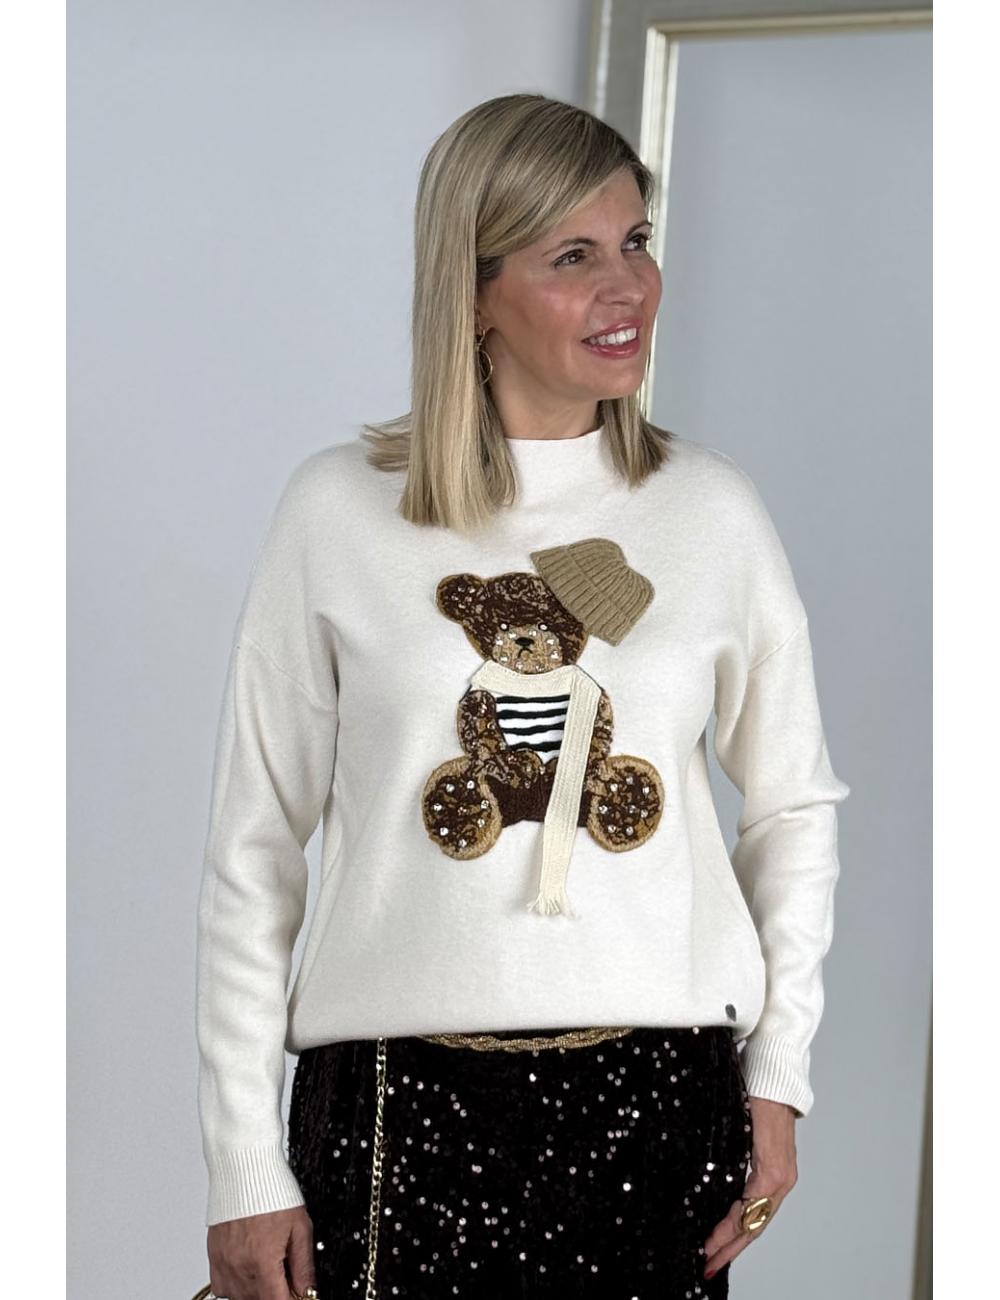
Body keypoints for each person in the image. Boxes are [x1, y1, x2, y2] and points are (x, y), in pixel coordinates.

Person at [195, 92, 850, 1300]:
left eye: (636, 241)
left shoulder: (710, 512)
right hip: (397, 1107)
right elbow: (256, 846)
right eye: (573, 256)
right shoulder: (337, 513)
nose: (629, 287)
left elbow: (792, 806)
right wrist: (244, 1158)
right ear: (473, 291)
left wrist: (777, 1075)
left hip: (658, 1106)